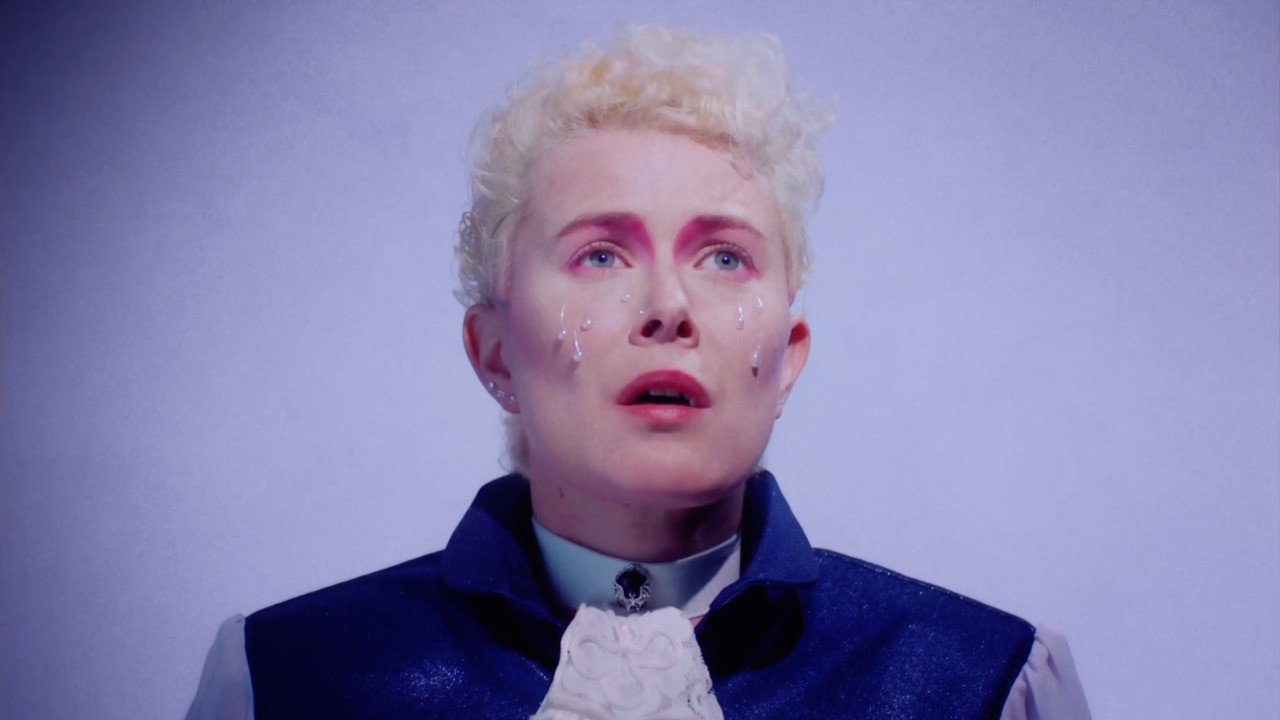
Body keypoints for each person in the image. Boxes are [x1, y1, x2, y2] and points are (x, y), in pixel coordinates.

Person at [185, 25, 1090, 720]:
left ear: (788, 360)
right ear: (494, 352)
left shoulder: (980, 684)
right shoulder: (292, 678)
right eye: (601, 255)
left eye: (725, 257)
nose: (669, 306)